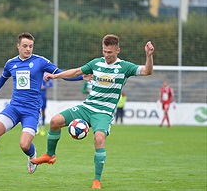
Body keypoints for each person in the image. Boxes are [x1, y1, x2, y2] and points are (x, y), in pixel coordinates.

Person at [31, 34, 154, 189]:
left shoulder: (125, 67)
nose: (106, 55)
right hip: (87, 107)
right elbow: (76, 72)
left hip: (104, 113)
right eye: (104, 51)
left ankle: (97, 180)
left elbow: (147, 71)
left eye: (110, 52)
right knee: (55, 121)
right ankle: (50, 155)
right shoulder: (96, 63)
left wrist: (149, 56)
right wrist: (55, 76)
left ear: (118, 51)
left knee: (99, 139)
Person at [0, 32, 87, 183]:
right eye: (25, 46)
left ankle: (32, 153)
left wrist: (81, 76)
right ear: (18, 46)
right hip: (14, 107)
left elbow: (61, 74)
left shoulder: (41, 62)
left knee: (24, 144)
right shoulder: (11, 63)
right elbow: (1, 81)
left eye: (31, 46)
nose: (28, 49)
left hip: (31, 111)